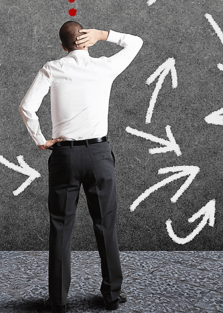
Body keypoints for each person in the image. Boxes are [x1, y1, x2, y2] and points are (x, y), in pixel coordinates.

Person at [19, 21, 143, 312]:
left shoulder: (52, 68)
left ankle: (59, 301)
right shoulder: (104, 67)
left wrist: (40, 140)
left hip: (64, 155)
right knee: (105, 225)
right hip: (100, 155)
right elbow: (135, 42)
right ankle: (112, 296)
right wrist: (104, 35)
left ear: (63, 46)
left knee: (61, 227)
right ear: (86, 42)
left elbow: (27, 106)